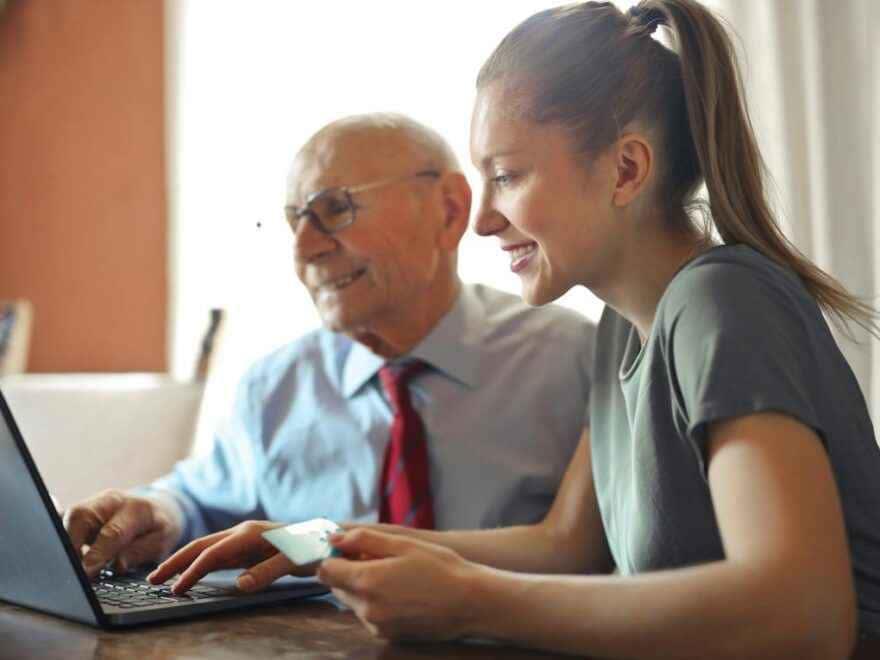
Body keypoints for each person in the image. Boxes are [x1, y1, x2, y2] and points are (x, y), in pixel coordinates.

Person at [151, 1, 880, 657]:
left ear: (626, 170)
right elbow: (566, 547)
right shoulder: (625, 331)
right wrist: (314, 542)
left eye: (506, 176)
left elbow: (803, 616)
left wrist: (473, 600)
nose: (483, 219)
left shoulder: (722, 303)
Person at [63, 114, 595, 582]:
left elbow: (593, 555)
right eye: (296, 219)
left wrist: (316, 542)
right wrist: (156, 513)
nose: (304, 250)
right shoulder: (276, 384)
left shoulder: (573, 360)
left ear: (450, 210)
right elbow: (201, 501)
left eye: (334, 209)